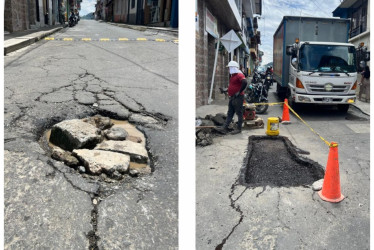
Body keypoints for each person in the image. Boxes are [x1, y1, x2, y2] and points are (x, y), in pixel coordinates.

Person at [220, 61, 248, 134]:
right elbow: (233, 86)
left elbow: (245, 82)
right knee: (230, 113)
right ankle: (224, 127)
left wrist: (239, 92)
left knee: (239, 113)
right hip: (232, 97)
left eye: (229, 68)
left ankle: (239, 129)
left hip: (238, 98)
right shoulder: (233, 76)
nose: (228, 70)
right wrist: (225, 90)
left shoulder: (239, 75)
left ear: (233, 68)